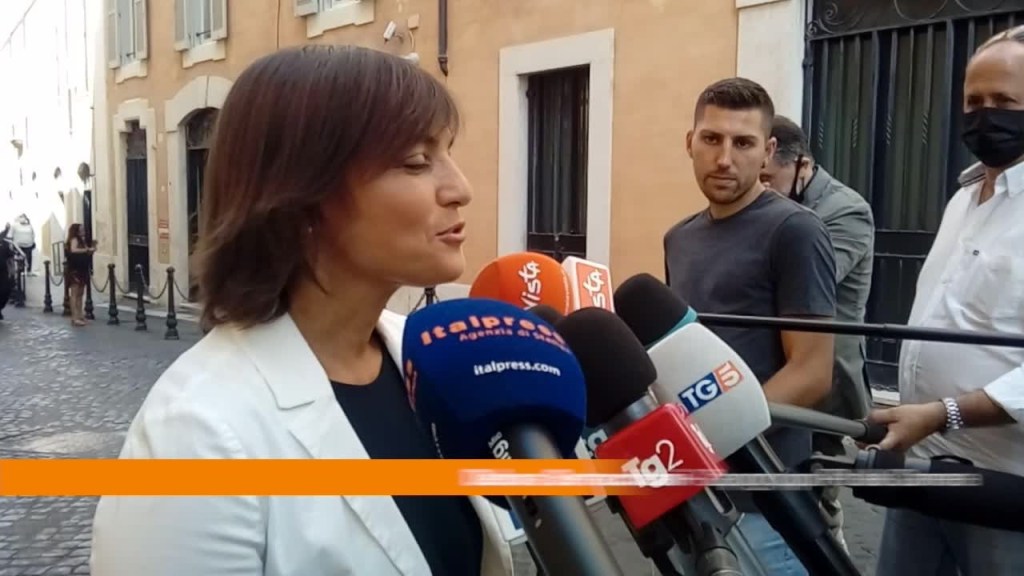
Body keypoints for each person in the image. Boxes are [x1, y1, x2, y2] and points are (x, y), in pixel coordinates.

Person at [89, 46, 514, 576]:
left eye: (447, 153)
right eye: (415, 162)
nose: (460, 189)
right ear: (301, 198)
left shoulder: (434, 363)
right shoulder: (197, 438)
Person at [664, 78, 837, 576]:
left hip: (768, 504)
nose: (724, 159)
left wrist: (711, 437)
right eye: (711, 139)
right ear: (690, 143)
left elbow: (811, 373)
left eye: (743, 143)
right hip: (695, 501)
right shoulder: (678, 238)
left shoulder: (796, 231)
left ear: (768, 151)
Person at [868, 25, 1024, 576]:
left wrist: (944, 413)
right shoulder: (963, 198)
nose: (985, 115)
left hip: (1003, 489)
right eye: (973, 102)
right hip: (922, 465)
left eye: (1004, 101)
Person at [761, 115, 875, 550]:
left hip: (826, 377)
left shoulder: (847, 210)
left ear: (802, 165)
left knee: (816, 496)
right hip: (775, 366)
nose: (761, 189)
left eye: (768, 180)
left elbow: (810, 282)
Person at [64, 223, 94, 327]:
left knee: (80, 293)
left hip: (82, 269)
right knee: (75, 293)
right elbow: (73, 250)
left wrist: (91, 250)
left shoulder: (82, 240)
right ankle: (74, 317)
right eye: (81, 229)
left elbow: (85, 252)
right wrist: (86, 250)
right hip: (75, 270)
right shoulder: (74, 239)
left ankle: (80, 315)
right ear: (76, 231)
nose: (83, 231)